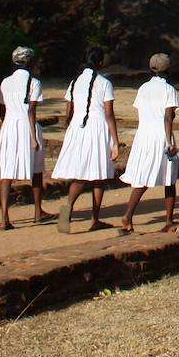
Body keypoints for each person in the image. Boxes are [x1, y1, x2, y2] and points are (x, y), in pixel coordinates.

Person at [52, 47, 119, 234]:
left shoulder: (75, 82)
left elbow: (68, 110)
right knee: (97, 174)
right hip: (96, 128)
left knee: (84, 173)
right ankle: (94, 218)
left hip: (78, 127)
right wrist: (115, 140)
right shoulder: (104, 82)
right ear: (100, 63)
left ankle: (69, 211)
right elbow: (109, 113)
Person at [120, 53, 179, 234]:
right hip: (161, 135)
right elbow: (168, 117)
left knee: (143, 176)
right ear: (168, 69)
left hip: (143, 135)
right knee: (169, 179)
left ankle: (129, 214)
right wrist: (170, 142)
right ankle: (169, 220)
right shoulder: (169, 90)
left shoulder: (143, 88)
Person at [0, 46, 52, 229]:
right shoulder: (34, 82)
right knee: (36, 171)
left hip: (9, 126)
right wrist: (34, 136)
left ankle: (4, 217)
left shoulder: (5, 82)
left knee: (6, 172)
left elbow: (2, 109)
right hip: (27, 127)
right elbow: (31, 111)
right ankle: (37, 210)